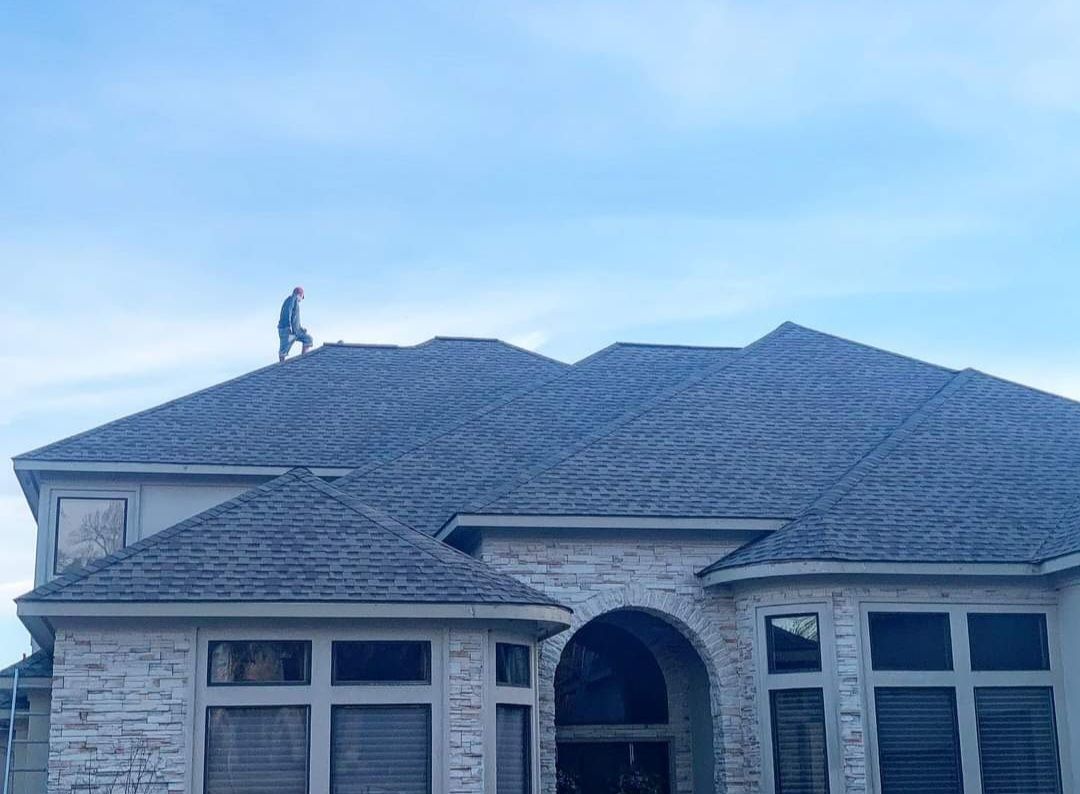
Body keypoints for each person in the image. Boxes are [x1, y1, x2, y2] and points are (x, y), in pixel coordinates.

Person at [278, 286, 313, 362]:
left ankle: (303, 359)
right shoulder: (292, 299)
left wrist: (301, 329)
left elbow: (295, 320)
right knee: (284, 350)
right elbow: (288, 312)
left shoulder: (295, 302)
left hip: (296, 332)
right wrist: (289, 326)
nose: (301, 300)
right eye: (302, 297)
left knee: (308, 339)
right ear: (299, 294)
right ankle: (281, 365)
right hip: (288, 330)